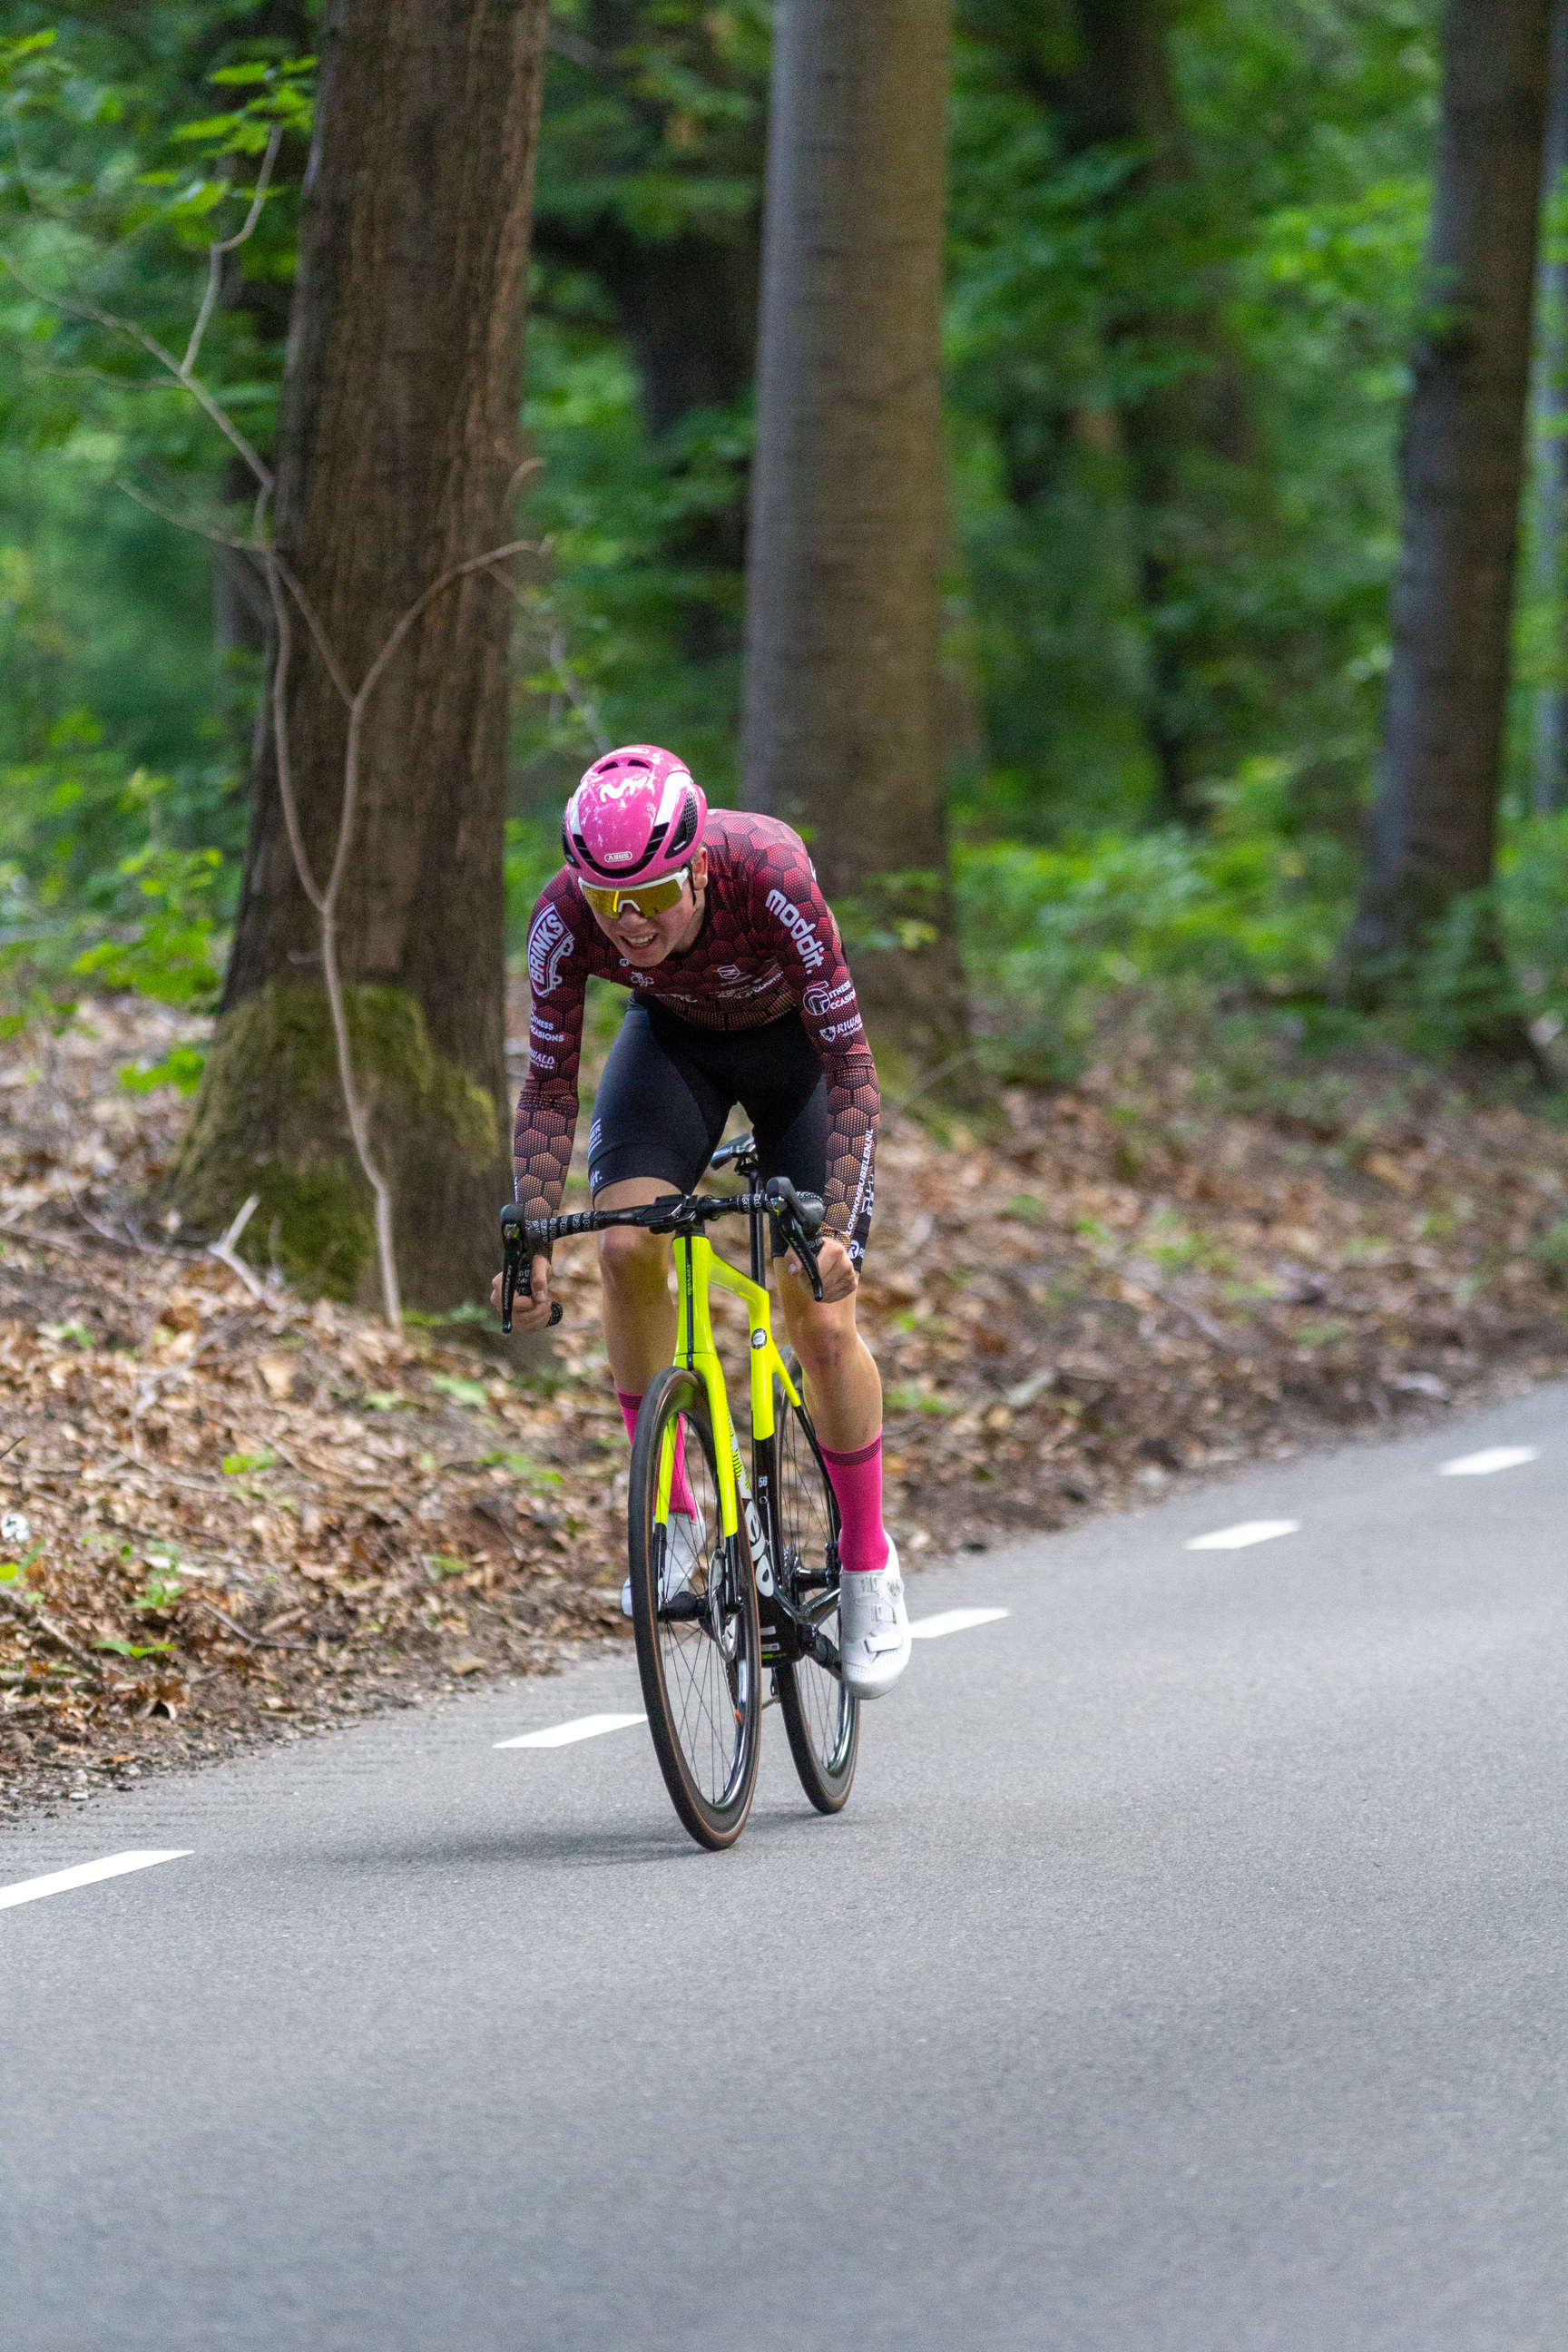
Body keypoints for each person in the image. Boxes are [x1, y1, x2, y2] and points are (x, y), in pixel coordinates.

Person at [498, 743, 910, 1700]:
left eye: (649, 896)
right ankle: (673, 1506)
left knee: (817, 1311)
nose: (628, 922)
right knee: (625, 1245)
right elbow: (548, 1086)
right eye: (609, 903)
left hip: (797, 1059)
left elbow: (850, 1064)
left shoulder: (769, 870)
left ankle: (866, 1561)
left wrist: (840, 1225)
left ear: (695, 867)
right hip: (674, 1052)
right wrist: (527, 1237)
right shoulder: (564, 919)